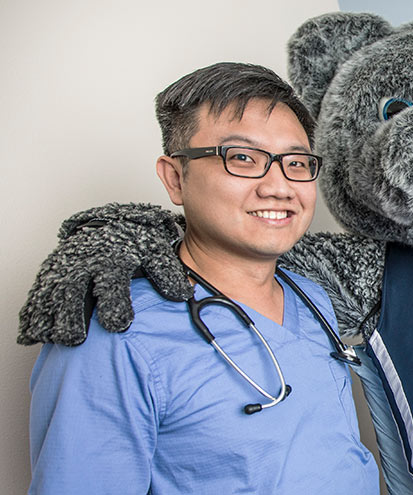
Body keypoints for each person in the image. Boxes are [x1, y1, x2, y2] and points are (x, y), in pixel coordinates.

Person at [27, 62, 379, 494]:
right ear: (175, 178)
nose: (280, 186)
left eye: (297, 161)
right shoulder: (114, 339)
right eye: (243, 158)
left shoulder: (311, 296)